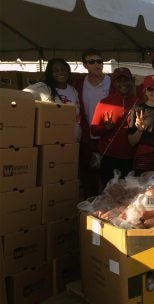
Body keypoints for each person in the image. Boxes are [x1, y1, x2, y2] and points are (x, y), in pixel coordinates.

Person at [90, 67, 138, 185]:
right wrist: (105, 128)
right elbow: (93, 130)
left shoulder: (139, 102)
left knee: (130, 196)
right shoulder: (104, 102)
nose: (122, 84)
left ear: (131, 81)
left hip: (131, 158)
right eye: (118, 81)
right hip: (108, 157)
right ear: (113, 83)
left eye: (126, 80)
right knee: (108, 195)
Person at [75, 48, 112, 198]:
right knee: (89, 177)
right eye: (92, 62)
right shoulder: (79, 84)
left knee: (108, 177)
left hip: (108, 136)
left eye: (99, 61)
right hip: (88, 137)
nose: (96, 64)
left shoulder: (112, 82)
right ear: (85, 65)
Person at [23, 58, 81, 142]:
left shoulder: (73, 90)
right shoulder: (42, 87)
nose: (60, 72)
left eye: (63, 69)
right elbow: (23, 96)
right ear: (50, 73)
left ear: (68, 71)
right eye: (55, 71)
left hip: (73, 141)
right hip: (52, 141)